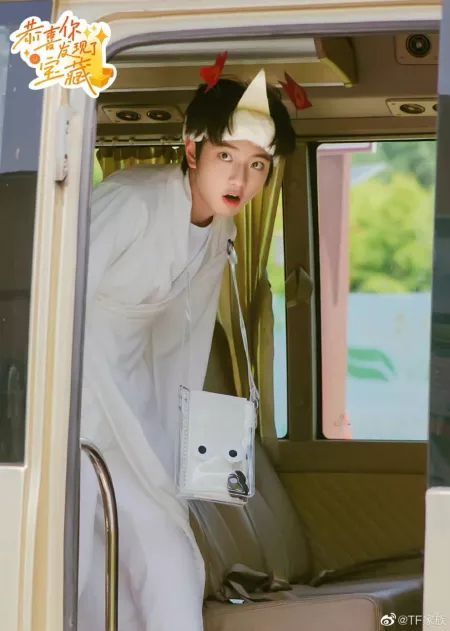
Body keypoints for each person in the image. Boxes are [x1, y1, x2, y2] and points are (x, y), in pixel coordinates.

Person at [78, 68, 296, 631]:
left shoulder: (219, 231)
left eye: (258, 165)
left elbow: (182, 337)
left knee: (169, 559)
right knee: (80, 563)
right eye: (226, 156)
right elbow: (52, 300)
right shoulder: (133, 202)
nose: (241, 179)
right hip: (76, 403)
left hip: (134, 406)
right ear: (192, 150)